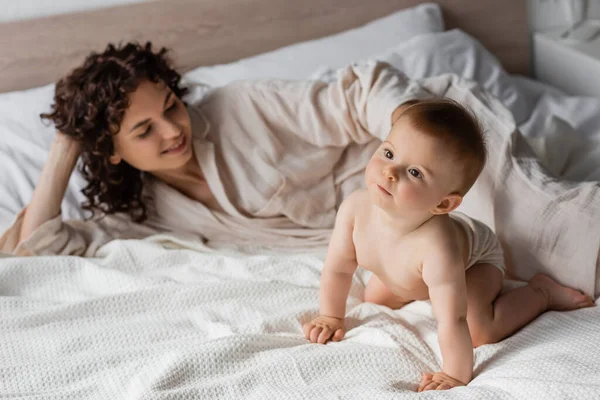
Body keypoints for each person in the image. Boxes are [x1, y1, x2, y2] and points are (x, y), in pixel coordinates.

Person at [0, 41, 425, 256]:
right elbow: (40, 251)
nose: (172, 131)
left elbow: (363, 95)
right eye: (145, 130)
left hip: (424, 158)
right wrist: (66, 143)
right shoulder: (143, 213)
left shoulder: (241, 105)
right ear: (110, 151)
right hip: (387, 240)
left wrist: (421, 145)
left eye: (171, 105)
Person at [302, 99, 595, 392]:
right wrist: (330, 316)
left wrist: (455, 374)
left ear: (444, 204)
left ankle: (540, 292)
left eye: (415, 172)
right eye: (389, 153)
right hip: (413, 268)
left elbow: (451, 318)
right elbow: (338, 269)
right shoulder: (354, 209)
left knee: (478, 329)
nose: (390, 172)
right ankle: (413, 282)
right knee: (374, 298)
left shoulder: (437, 247)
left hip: (476, 262)